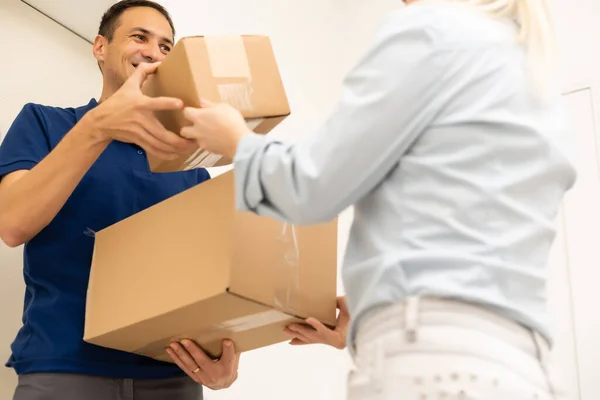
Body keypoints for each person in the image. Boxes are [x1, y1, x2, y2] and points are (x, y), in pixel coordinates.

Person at [175, 0, 576, 399]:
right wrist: (372, 310)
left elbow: (312, 187)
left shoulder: (430, 30)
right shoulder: (526, 65)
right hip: (517, 363)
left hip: (434, 359)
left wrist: (237, 141)